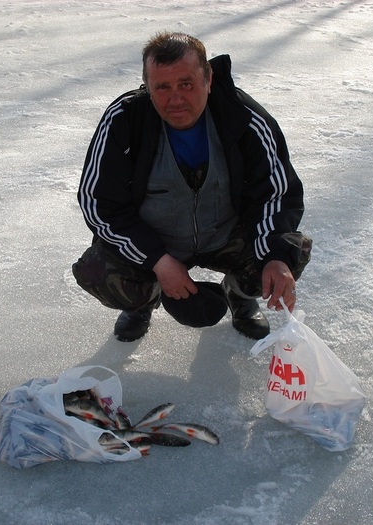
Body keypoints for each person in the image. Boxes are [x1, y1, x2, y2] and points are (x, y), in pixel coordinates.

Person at [72, 32, 311, 342]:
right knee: (99, 270)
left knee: (289, 251)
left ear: (208, 79)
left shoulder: (245, 119)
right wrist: (157, 260)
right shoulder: (124, 119)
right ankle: (142, 302)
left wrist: (276, 257)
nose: (176, 100)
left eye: (186, 84)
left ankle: (240, 295)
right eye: (163, 87)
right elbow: (98, 203)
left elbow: (275, 195)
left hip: (225, 234)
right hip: (156, 238)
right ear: (148, 86)